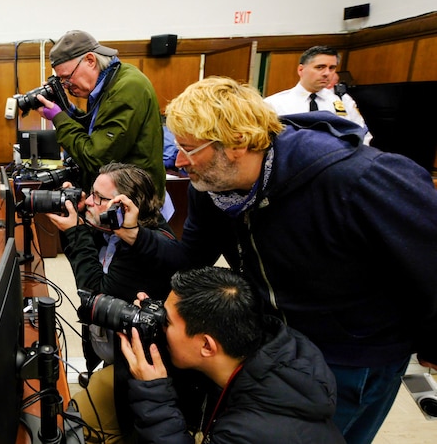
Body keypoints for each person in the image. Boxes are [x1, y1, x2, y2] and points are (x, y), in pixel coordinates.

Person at [116, 76, 437, 443]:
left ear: (236, 143)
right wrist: (134, 234)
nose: (179, 160)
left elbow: (428, 261)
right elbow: (191, 258)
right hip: (276, 343)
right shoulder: (213, 187)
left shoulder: (355, 178)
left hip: (353, 356)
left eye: (189, 148)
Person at [119, 267, 344, 443]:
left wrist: (154, 395)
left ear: (207, 346)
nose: (160, 324)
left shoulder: (247, 432)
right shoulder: (267, 354)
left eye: (165, 321)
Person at [46, 162, 178, 442]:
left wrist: (76, 232)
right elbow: (84, 260)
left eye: (99, 198)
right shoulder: (111, 228)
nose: (90, 201)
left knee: (77, 421)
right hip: (116, 357)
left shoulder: (144, 248)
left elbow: (94, 295)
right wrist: (78, 218)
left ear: (125, 206)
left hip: (142, 370)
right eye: (91, 193)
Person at [33, 30, 165, 197]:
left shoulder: (127, 88)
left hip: (134, 201)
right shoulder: (110, 82)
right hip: (120, 195)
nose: (66, 85)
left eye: (67, 77)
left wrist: (59, 118)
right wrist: (68, 110)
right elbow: (98, 132)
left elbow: (96, 158)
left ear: (90, 60)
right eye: (62, 81)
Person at [264, 45, 371, 144]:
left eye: (332, 68)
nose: (326, 73)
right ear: (301, 70)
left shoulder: (343, 100)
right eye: (320, 67)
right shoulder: (274, 104)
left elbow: (363, 134)